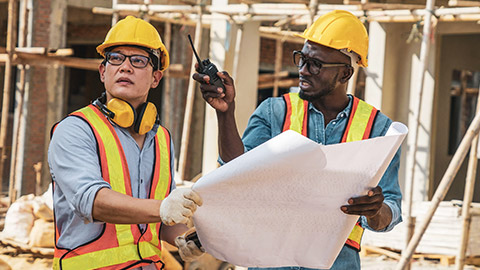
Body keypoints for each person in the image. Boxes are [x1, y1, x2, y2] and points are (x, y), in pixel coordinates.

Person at [193, 10, 402, 270]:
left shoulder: (378, 128)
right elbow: (236, 176)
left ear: (345, 74)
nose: (303, 70)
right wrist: (226, 114)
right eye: (302, 59)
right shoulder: (275, 112)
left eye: (316, 64)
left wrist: (376, 210)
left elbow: (391, 209)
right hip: (271, 262)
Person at [48, 16, 204, 270]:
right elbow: (93, 202)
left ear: (156, 78)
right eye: (116, 58)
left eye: (138, 60)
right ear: (103, 72)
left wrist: (183, 237)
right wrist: (163, 208)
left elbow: (160, 219)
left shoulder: (162, 138)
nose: (125, 67)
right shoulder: (75, 130)